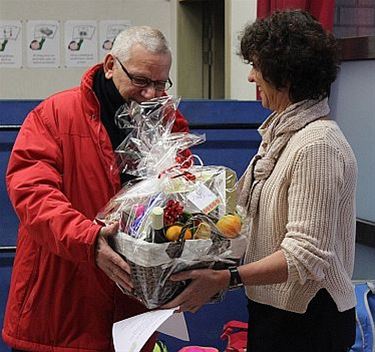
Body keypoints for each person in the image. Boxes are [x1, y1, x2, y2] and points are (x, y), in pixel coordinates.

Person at [163, 10, 357, 352]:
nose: (252, 77)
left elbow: (304, 256)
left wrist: (225, 279)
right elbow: (251, 225)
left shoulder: (317, 145)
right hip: (275, 310)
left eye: (256, 66)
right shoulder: (281, 135)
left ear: (285, 76)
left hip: (309, 319)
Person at [3, 26, 189, 352]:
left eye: (161, 83)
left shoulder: (168, 122)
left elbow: (185, 195)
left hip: (132, 317)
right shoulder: (55, 115)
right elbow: (32, 194)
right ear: (110, 65)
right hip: (59, 309)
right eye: (142, 81)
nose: (151, 93)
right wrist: (88, 240)